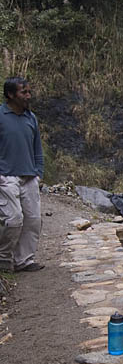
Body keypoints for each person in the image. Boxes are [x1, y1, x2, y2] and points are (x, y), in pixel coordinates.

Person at [0, 77, 45, 273]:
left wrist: (39, 173)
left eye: (29, 91)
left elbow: (37, 147)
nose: (28, 96)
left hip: (30, 176)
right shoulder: (1, 115)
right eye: (23, 92)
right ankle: (3, 258)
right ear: (11, 95)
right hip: (6, 176)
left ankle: (24, 260)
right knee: (14, 219)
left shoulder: (31, 117)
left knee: (33, 219)